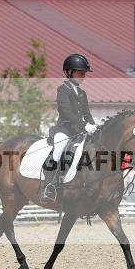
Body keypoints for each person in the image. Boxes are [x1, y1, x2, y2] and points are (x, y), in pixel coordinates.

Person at [43, 53, 97, 201]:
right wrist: (84, 125)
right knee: (59, 149)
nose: (83, 76)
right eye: (80, 73)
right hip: (64, 129)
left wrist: (93, 125)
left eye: (84, 73)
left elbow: (86, 113)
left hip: (79, 131)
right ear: (69, 72)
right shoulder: (63, 90)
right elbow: (65, 112)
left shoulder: (82, 93)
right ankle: (49, 186)